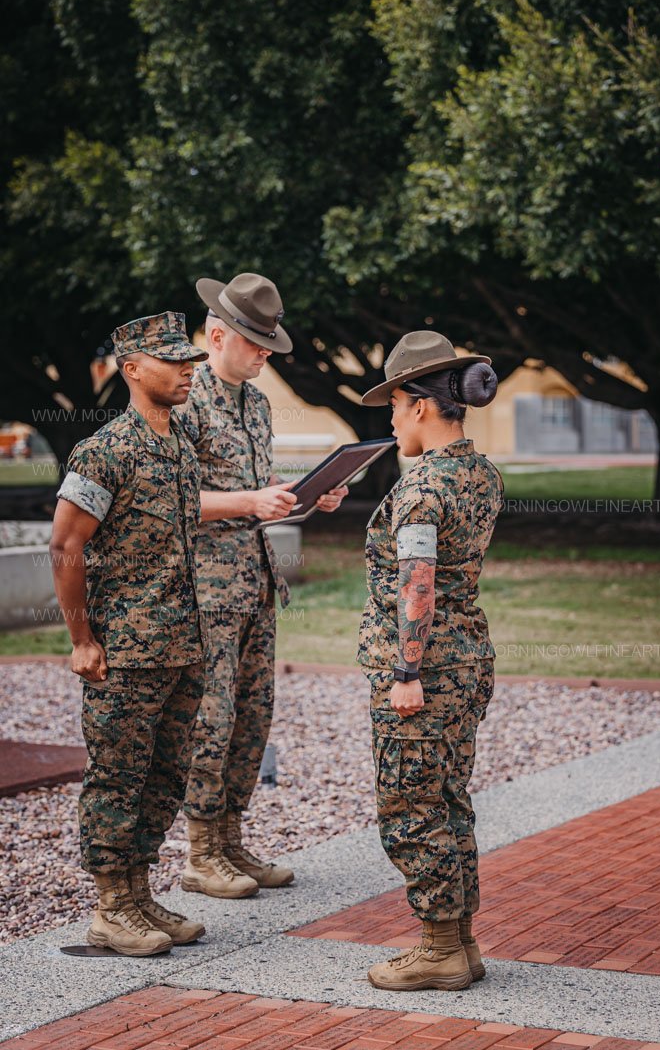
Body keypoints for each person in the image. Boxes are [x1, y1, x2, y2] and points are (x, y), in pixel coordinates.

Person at [179, 272, 348, 898]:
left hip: (255, 581)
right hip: (204, 591)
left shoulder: (253, 402)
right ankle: (199, 854)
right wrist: (251, 498)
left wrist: (307, 497)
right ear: (217, 335)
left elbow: (255, 492)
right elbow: (167, 500)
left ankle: (229, 839)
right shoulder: (183, 400)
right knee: (211, 718)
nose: (265, 356)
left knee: (254, 715)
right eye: (255, 344)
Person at [50, 312, 209, 956]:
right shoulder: (103, 450)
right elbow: (64, 545)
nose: (187, 371)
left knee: (166, 776)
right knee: (118, 777)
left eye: (189, 360)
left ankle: (140, 894)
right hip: (125, 652)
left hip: (180, 646)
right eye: (172, 361)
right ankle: (111, 907)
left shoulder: (180, 445)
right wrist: (82, 640)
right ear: (132, 368)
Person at [357, 330, 503, 991]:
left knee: (411, 808)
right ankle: (462, 941)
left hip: (428, 669)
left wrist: (406, 673)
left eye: (392, 406)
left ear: (419, 407)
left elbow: (419, 584)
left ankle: (439, 946)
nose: (389, 420)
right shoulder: (480, 473)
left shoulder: (420, 489)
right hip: (469, 660)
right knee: (450, 799)